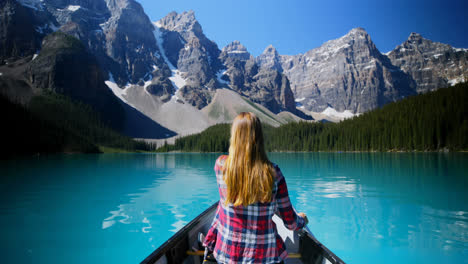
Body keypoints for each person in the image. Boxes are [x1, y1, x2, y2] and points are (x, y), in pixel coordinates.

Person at [203, 112, 308, 264]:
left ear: (234, 137)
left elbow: (224, 204)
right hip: (265, 258)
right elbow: (290, 223)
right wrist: (302, 220)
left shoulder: (220, 165)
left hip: (226, 256)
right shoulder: (273, 173)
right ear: (259, 138)